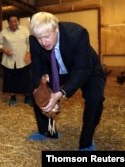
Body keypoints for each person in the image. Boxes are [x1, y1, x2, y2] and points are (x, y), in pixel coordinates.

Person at [28, 12, 106, 151]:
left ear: (56, 28)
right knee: (37, 91)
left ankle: (86, 143)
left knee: (95, 98)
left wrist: (60, 93)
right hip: (56, 69)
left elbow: (82, 70)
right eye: (39, 38)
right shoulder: (34, 40)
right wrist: (40, 88)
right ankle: (48, 131)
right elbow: (37, 68)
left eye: (47, 36)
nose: (43, 42)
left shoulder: (77, 34)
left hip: (87, 68)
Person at [0, 14, 32, 106]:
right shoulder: (3, 32)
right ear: (8, 22)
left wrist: (28, 54)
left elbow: (29, 43)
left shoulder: (25, 30)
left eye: (15, 21)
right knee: (11, 80)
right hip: (9, 60)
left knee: (25, 79)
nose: (13, 23)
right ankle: (13, 98)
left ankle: (27, 97)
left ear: (18, 21)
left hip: (23, 59)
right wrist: (4, 50)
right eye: (11, 21)